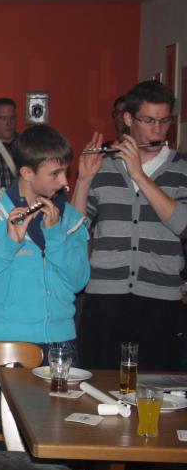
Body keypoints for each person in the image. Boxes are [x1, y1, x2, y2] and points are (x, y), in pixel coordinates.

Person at [72, 80, 187, 370]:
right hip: (104, 296)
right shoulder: (104, 165)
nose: (158, 129)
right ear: (128, 119)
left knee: (157, 385)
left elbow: (183, 225)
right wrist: (83, 180)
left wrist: (139, 175)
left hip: (161, 298)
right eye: (148, 120)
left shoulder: (181, 167)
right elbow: (74, 230)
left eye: (164, 121)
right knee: (99, 381)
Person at [0, 125, 89, 354]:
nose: (64, 182)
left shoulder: (69, 217)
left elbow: (79, 281)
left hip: (63, 343)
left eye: (65, 172)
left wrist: (55, 236)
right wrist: (8, 244)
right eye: (55, 174)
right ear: (27, 173)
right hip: (10, 344)